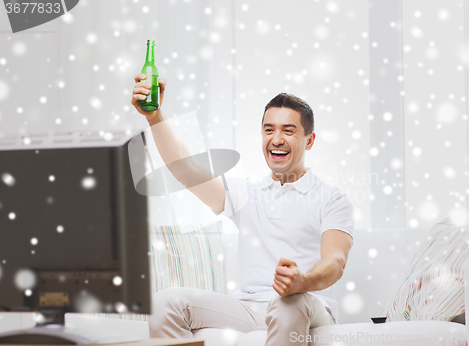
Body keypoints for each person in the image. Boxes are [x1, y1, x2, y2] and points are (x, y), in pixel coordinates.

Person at [131, 73, 354, 346]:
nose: (276, 139)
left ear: (309, 140)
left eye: (289, 130)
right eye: (269, 130)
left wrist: (303, 281)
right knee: (165, 302)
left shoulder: (331, 199)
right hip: (250, 308)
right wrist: (154, 118)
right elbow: (185, 169)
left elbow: (335, 263)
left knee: (287, 303)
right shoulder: (245, 193)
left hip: (308, 304)